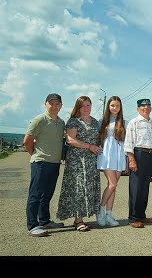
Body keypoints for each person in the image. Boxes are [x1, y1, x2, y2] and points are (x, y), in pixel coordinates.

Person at [56, 96, 102, 232]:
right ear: (78, 107)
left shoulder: (94, 122)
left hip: (91, 160)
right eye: (83, 106)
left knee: (88, 188)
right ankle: (78, 220)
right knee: (78, 189)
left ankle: (82, 217)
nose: (86, 108)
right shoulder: (73, 121)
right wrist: (89, 146)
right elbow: (70, 140)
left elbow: (98, 139)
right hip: (77, 160)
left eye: (89, 105)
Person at [24, 93, 66, 237]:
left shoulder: (61, 123)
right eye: (51, 103)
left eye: (57, 103)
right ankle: (32, 226)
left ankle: (44, 220)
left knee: (47, 194)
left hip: (54, 163)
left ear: (61, 105)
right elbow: (27, 141)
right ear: (45, 104)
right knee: (35, 195)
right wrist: (35, 156)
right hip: (40, 162)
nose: (54, 106)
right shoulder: (39, 120)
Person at [124, 98, 152, 228]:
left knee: (145, 187)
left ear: (151, 108)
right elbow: (128, 143)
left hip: (150, 156)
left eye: (148, 106)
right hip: (138, 155)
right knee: (135, 187)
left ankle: (141, 215)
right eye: (142, 106)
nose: (145, 108)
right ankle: (133, 217)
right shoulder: (134, 122)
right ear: (138, 109)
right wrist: (131, 159)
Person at [96, 96, 127, 227]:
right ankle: (100, 209)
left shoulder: (125, 122)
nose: (115, 108)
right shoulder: (101, 121)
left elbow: (126, 141)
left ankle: (109, 215)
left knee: (113, 187)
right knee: (112, 185)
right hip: (107, 155)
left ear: (120, 108)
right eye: (112, 105)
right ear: (108, 106)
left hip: (119, 156)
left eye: (117, 106)